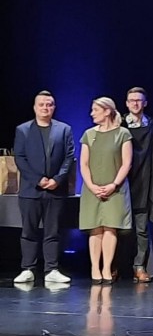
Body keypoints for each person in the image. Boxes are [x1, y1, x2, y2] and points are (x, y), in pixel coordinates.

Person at [13, 91, 75, 285]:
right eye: (41, 105)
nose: (45, 108)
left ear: (54, 107)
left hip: (56, 190)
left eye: (49, 105)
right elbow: (20, 158)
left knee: (53, 231)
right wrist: (37, 179)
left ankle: (52, 269)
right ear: (35, 107)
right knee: (29, 231)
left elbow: (69, 157)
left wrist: (57, 179)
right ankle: (28, 269)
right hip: (31, 191)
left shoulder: (64, 129)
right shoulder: (23, 130)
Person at [79, 97, 133, 284]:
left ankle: (107, 268)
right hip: (92, 189)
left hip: (115, 189)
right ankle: (95, 267)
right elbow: (83, 164)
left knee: (110, 227)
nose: (92, 113)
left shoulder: (123, 134)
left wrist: (113, 185)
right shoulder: (89, 134)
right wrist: (92, 186)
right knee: (96, 228)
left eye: (95, 109)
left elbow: (126, 163)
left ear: (107, 111)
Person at [122, 87, 153, 283]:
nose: (135, 103)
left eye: (139, 100)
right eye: (132, 100)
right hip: (122, 183)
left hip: (145, 182)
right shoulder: (119, 125)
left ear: (145, 103)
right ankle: (115, 266)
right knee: (117, 228)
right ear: (127, 103)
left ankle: (139, 265)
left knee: (142, 229)